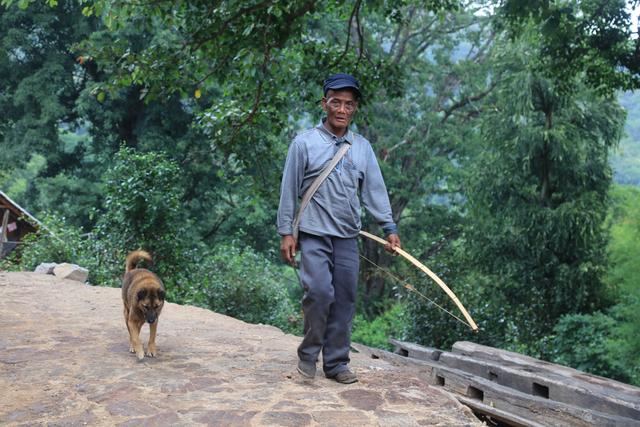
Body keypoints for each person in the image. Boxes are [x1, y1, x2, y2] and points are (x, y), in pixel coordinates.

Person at [277, 73, 401, 384]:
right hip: (314, 234)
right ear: (325, 103)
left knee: (345, 300)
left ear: (354, 108)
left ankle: (335, 364)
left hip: (347, 236)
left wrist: (389, 227)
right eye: (336, 103)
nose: (341, 110)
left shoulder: (362, 148)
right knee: (319, 293)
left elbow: (375, 191)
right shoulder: (304, 143)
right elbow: (288, 190)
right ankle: (308, 355)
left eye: (348, 104)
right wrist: (287, 233)